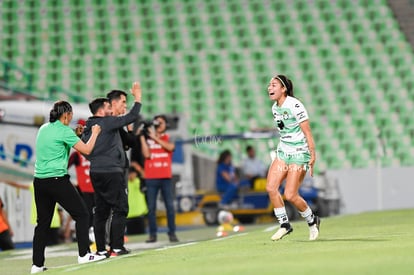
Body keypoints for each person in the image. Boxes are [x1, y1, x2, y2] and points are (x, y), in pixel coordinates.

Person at [31, 100, 106, 274]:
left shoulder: (43, 129)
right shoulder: (64, 131)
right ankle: (84, 254)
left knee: (42, 224)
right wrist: (94, 133)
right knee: (82, 214)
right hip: (57, 180)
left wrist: (74, 134)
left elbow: (57, 141)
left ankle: (37, 265)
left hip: (40, 182)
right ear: (66, 115)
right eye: (71, 115)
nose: (72, 117)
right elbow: (87, 150)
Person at [82, 82, 142, 257]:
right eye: (108, 105)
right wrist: (137, 97)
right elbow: (133, 115)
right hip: (111, 172)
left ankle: (101, 249)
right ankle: (116, 247)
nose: (111, 107)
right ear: (102, 109)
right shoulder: (107, 122)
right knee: (121, 208)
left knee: (101, 211)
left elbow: (86, 149)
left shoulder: (88, 125)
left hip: (96, 172)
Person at [266, 74, 320, 241]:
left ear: (284, 89)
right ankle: (284, 225)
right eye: (269, 85)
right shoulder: (275, 108)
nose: (269, 88)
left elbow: (307, 131)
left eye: (274, 85)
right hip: (283, 151)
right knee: (271, 188)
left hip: (299, 153)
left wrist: (312, 154)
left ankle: (312, 220)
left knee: (290, 195)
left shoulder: (295, 105)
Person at [141, 114, 178, 243]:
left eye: (161, 122)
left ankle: (172, 233)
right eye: (157, 122)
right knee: (151, 208)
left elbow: (170, 147)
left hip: (165, 177)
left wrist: (155, 137)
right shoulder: (149, 139)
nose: (158, 124)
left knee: (170, 206)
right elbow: (146, 154)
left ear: (166, 125)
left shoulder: (169, 137)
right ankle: (152, 234)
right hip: (151, 177)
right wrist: (142, 137)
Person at [126, 167, 148, 235]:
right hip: (129, 216)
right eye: (129, 173)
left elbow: (145, 176)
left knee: (142, 237)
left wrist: (138, 167)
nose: (131, 175)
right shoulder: (125, 184)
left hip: (140, 216)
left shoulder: (140, 182)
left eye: (132, 173)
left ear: (136, 174)